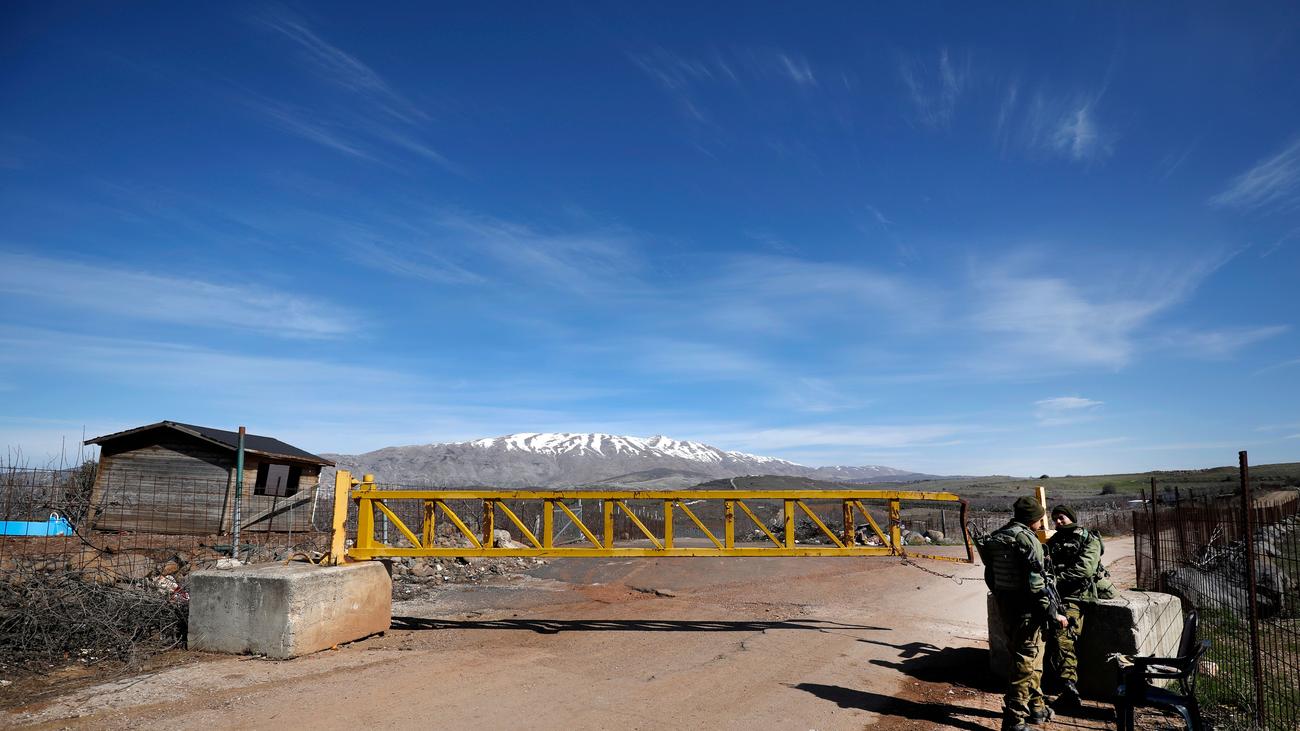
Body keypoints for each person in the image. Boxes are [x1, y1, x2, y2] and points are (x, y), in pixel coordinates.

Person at [981, 496, 1068, 731]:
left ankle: (1036, 707)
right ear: (1033, 519)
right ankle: (1014, 719)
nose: (1042, 522)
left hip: (1007, 607)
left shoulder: (999, 536)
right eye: (1040, 518)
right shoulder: (1027, 539)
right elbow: (1037, 584)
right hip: (1028, 611)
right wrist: (1053, 613)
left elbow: (990, 576)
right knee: (1026, 663)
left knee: (1031, 658)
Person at [1046, 504, 1116, 710]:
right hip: (1056, 594)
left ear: (1071, 518)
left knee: (1064, 635)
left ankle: (1068, 686)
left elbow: (1085, 569)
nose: (1058, 522)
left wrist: (1057, 579)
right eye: (1055, 519)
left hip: (1077, 595)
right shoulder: (1054, 541)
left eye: (1061, 517)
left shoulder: (1088, 538)